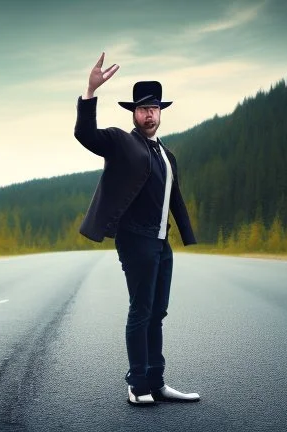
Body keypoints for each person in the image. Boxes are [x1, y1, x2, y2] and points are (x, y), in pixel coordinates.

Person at [73, 53, 200, 405]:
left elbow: (175, 199)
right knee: (141, 310)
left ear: (161, 112)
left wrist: (185, 235)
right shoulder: (120, 141)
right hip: (136, 239)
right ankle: (137, 384)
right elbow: (85, 134)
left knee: (158, 312)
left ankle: (157, 382)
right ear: (134, 113)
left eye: (155, 108)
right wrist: (90, 91)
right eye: (143, 108)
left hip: (161, 242)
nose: (149, 114)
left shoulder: (167, 154)